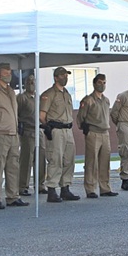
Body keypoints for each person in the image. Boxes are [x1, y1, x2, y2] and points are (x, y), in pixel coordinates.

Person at [0, 63, 27, 209]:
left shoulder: (11, 92)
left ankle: (13, 196)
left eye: (9, 72)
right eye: (5, 73)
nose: (8, 75)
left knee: (13, 166)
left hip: (13, 134)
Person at [40, 67, 80, 203]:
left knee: (69, 159)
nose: (65, 77)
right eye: (62, 75)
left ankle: (65, 188)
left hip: (68, 129)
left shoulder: (67, 94)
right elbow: (42, 115)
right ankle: (51, 189)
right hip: (56, 130)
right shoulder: (49, 94)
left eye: (66, 75)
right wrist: (47, 127)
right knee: (55, 159)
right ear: (56, 77)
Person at [77, 74, 118, 198]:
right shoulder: (88, 100)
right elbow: (80, 118)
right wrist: (86, 130)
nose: (102, 85)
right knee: (91, 162)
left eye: (104, 83)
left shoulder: (106, 100)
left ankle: (105, 188)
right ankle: (90, 189)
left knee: (105, 162)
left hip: (105, 133)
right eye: (99, 82)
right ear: (94, 84)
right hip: (93, 133)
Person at [17, 74, 46, 196]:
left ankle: (40, 185)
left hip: (39, 131)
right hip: (28, 131)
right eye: (28, 82)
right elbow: (16, 113)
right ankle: (23, 186)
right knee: (26, 160)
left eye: (33, 82)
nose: (31, 84)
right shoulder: (21, 98)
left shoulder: (38, 98)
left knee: (40, 159)